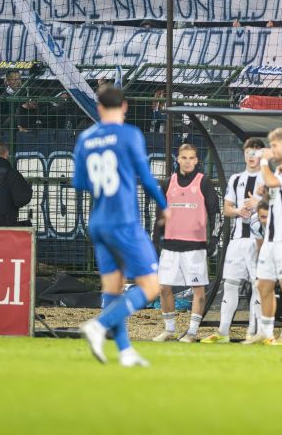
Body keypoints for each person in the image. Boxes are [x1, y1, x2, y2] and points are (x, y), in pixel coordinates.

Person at [75, 87, 169, 367]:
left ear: (99, 108)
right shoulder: (130, 135)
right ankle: (99, 324)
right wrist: (164, 206)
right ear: (125, 106)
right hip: (123, 220)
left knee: (113, 289)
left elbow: (81, 183)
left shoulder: (85, 138)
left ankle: (125, 351)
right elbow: (147, 179)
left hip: (98, 221)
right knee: (151, 286)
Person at [244, 127, 282, 346]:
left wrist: (264, 162)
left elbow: (271, 181)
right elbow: (274, 193)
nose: (270, 150)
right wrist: (264, 195)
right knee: (264, 284)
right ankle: (266, 332)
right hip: (271, 238)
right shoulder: (281, 172)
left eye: (273, 145)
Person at [153, 143, 219, 343]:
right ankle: (170, 330)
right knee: (163, 287)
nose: (188, 161)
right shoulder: (168, 183)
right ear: (178, 159)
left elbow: (215, 213)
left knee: (198, 290)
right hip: (170, 246)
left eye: (191, 158)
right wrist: (155, 240)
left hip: (195, 246)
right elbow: (159, 215)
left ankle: (192, 332)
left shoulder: (203, 182)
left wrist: (214, 239)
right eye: (184, 157)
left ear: (197, 160)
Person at [206, 137, 265, 343]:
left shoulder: (268, 179)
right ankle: (223, 332)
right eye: (248, 152)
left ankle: (255, 332)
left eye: (255, 153)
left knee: (258, 286)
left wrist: (258, 203)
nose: (251, 156)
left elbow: (278, 207)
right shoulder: (235, 179)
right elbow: (227, 209)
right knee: (230, 284)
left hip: (259, 241)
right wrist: (239, 211)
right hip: (237, 241)